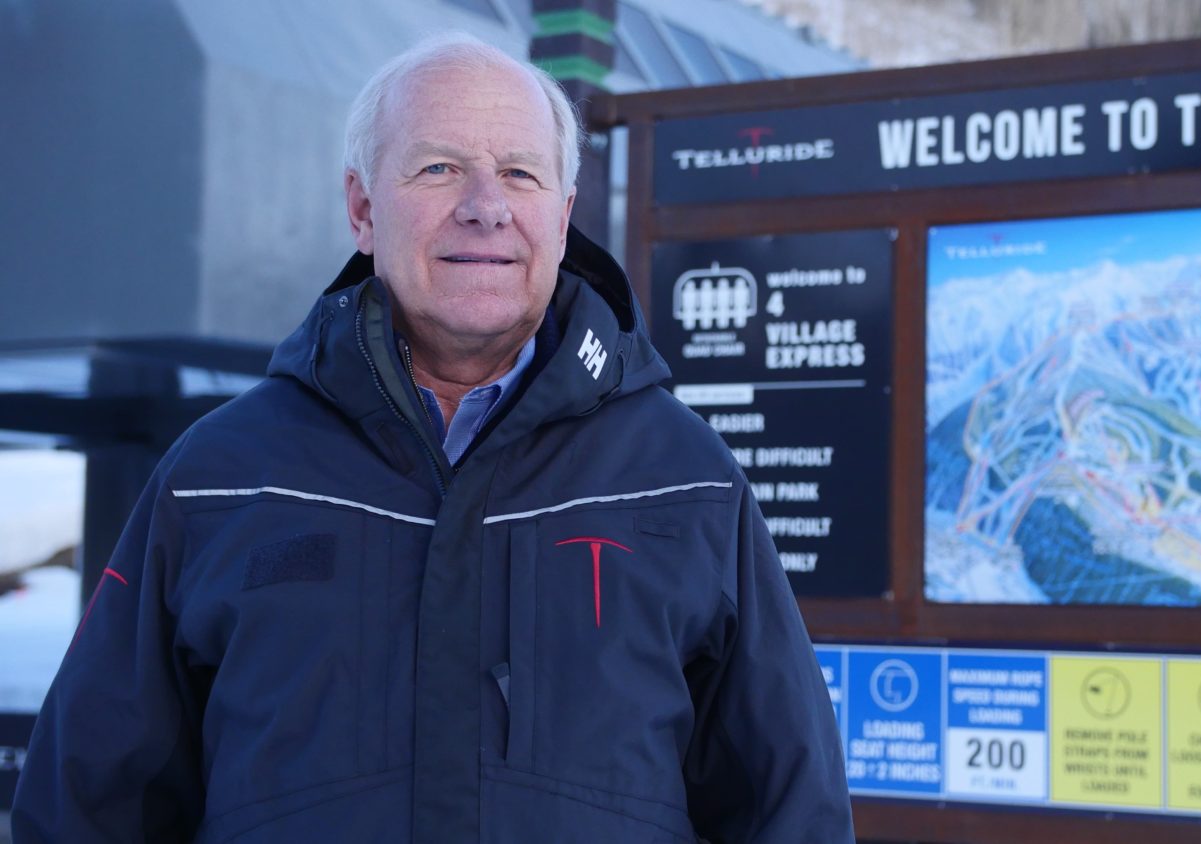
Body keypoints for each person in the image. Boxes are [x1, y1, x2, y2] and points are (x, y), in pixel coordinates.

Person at [12, 32, 854, 843]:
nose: (485, 208)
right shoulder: (220, 477)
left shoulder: (684, 479)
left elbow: (790, 811)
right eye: (439, 167)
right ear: (362, 207)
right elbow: (85, 807)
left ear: (563, 218)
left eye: (520, 173)